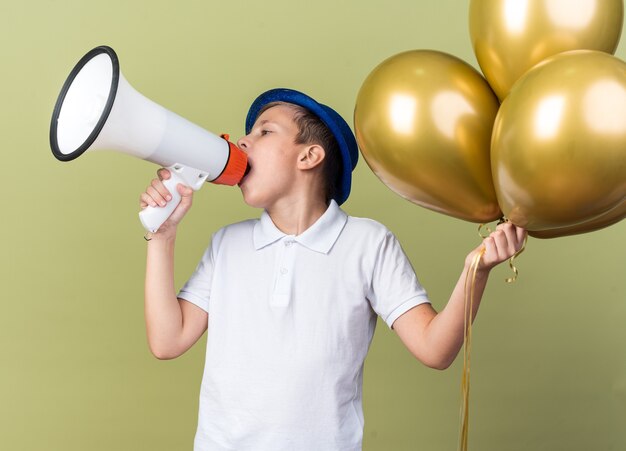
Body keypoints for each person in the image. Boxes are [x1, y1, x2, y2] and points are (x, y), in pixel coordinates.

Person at [140, 88, 526, 451]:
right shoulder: (226, 244)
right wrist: (162, 236)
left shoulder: (367, 243)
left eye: (265, 131)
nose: (242, 142)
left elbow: (435, 349)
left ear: (309, 157)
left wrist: (477, 270)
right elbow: (167, 341)